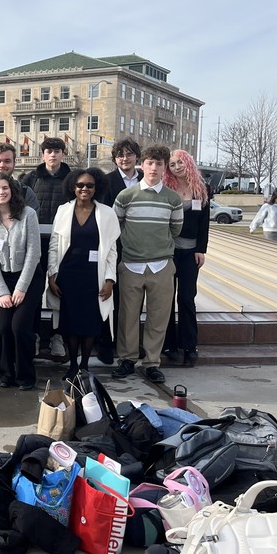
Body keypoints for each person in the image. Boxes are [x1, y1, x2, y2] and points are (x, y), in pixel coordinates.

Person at [111, 144, 184, 385]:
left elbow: (175, 229)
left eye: (159, 164)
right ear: (142, 165)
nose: (154, 168)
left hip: (161, 266)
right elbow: (116, 227)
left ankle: (152, 362)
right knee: (127, 317)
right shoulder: (126, 196)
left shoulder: (173, 199)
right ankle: (127, 359)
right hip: (131, 265)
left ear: (165, 168)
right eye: (150, 163)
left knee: (158, 317)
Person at [48, 168, 120, 379]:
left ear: (97, 188)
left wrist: (110, 279)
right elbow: (54, 245)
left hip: (94, 275)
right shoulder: (63, 210)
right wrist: (52, 275)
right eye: (80, 185)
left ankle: (85, 365)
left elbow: (112, 250)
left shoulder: (107, 213)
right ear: (73, 187)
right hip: (68, 273)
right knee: (70, 323)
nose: (84, 189)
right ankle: (72, 366)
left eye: (89, 185)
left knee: (90, 323)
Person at [0, 174, 41, 389]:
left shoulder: (28, 215)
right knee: (3, 328)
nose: (1, 192)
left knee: (20, 328)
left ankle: (26, 375)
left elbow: (34, 253)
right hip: (3, 280)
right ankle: (7, 373)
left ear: (12, 190)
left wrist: (21, 287)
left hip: (29, 277)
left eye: (4, 188)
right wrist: (2, 291)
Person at [20, 137, 72, 362]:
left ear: (63, 153)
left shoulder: (72, 178)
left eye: (57, 151)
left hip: (62, 243)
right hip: (35, 242)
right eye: (49, 151)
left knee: (59, 291)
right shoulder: (30, 178)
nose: (53, 155)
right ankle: (33, 337)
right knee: (33, 292)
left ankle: (57, 336)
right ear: (42, 155)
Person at [96, 137, 143, 365]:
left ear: (137, 156)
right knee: (109, 295)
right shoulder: (107, 181)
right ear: (115, 159)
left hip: (140, 248)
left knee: (133, 299)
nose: (125, 158)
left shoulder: (146, 180)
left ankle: (129, 344)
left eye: (129, 154)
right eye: (120, 155)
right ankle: (105, 344)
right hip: (113, 245)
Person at [162, 150, 211, 367]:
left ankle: (189, 345)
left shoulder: (201, 190)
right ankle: (169, 345)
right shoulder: (166, 189)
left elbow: (204, 224)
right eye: (172, 164)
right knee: (166, 298)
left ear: (188, 163)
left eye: (180, 162)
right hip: (170, 251)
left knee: (186, 298)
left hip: (191, 252)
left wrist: (201, 249)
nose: (176, 167)